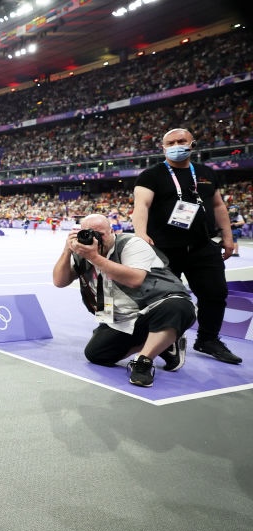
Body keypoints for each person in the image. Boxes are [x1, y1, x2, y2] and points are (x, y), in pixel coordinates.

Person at [132, 128, 242, 364]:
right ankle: (162, 342)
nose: (176, 145)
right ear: (163, 148)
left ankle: (207, 339)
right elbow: (141, 205)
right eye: (170, 142)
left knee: (215, 294)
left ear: (192, 144)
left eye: (181, 141)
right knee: (164, 299)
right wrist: (141, 234)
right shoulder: (151, 175)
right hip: (164, 248)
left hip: (202, 245)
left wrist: (228, 236)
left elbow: (218, 206)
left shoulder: (206, 173)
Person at [53, 214, 196, 387]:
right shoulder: (82, 254)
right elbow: (59, 282)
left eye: (100, 233)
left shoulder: (132, 244)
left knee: (178, 307)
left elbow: (134, 279)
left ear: (112, 231)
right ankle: (166, 344)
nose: (95, 238)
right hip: (121, 317)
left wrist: (94, 257)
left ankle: (143, 362)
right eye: (89, 233)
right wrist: (66, 251)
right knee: (96, 354)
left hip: (155, 305)